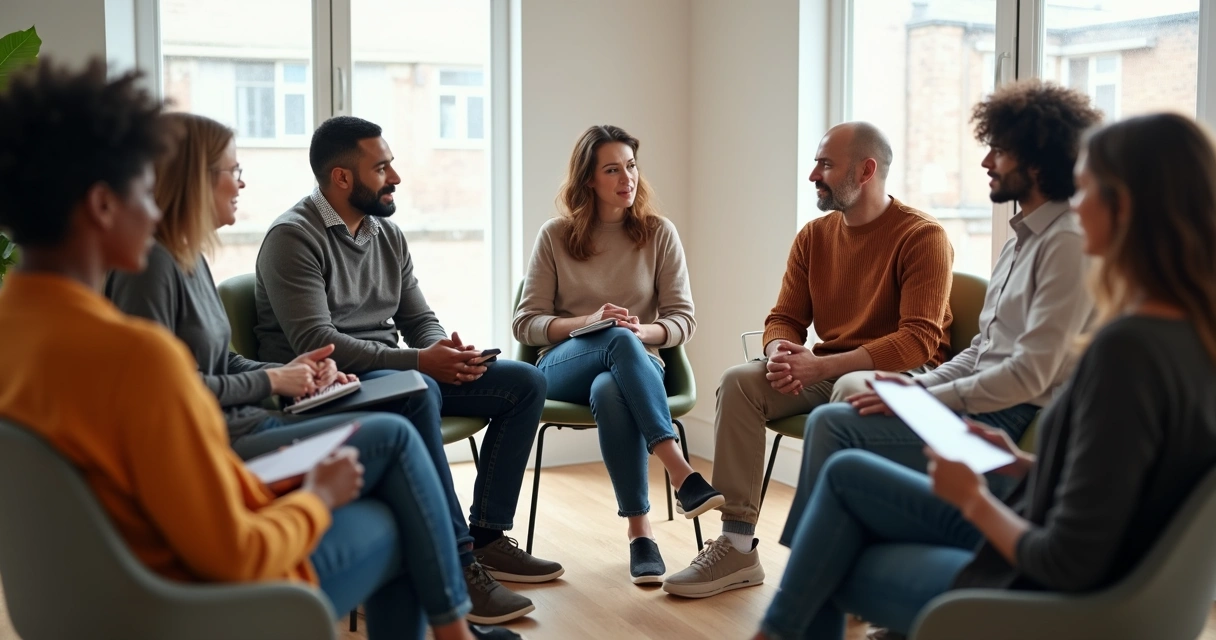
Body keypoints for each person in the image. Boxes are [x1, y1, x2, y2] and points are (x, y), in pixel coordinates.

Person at [0, 58, 505, 640]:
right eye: (146, 187)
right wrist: (315, 497)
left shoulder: (19, 328)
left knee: (395, 472)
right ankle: (456, 627)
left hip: (88, 596)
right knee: (397, 504)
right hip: (182, 597)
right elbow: (234, 552)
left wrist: (284, 378)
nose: (155, 204)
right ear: (102, 204)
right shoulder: (137, 355)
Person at [754, 112, 1216, 639]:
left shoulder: (1128, 351)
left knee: (834, 556)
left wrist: (972, 497)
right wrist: (1019, 464)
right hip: (1041, 514)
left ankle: (780, 624)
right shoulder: (1184, 334)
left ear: (1126, 206)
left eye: (1086, 187)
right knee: (843, 476)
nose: (1076, 203)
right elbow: (1116, 482)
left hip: (1046, 587)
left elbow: (1067, 558)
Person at [102, 112, 522, 635]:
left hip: (253, 420)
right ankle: (456, 606)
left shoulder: (187, 259)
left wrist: (293, 372)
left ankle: (475, 563)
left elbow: (222, 361)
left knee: (504, 391)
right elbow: (166, 393)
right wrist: (276, 381)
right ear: (194, 178)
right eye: (233, 170)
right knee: (400, 427)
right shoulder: (152, 266)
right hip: (224, 445)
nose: (243, 181)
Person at [254, 116, 559, 623]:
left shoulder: (386, 235)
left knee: (525, 383)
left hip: (395, 371)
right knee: (420, 390)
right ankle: (456, 562)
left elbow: (417, 318)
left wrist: (444, 351)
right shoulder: (293, 237)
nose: (395, 176)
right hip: (330, 384)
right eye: (382, 167)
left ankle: (485, 536)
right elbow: (317, 343)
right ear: (342, 179)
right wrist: (421, 362)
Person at [780, 80, 1104, 555]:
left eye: (998, 150)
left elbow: (1028, 374)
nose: (986, 162)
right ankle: (833, 570)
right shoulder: (1021, 238)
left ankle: (816, 570)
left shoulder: (1066, 242)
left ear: (1038, 161)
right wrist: (916, 391)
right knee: (839, 416)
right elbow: (983, 348)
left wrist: (930, 400)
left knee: (833, 424)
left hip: (1006, 415)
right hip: (976, 399)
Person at [664, 122, 954, 598]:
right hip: (830, 367)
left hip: (901, 376)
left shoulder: (923, 237)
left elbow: (918, 341)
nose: (812, 175)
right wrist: (780, 351)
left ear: (865, 170)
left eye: (825, 164)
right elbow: (784, 317)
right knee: (740, 381)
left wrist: (823, 367)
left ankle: (842, 555)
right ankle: (737, 547)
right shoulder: (814, 237)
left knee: (847, 390)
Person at [513, 125, 722, 584]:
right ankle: (680, 470)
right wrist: (588, 323)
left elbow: (683, 319)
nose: (626, 178)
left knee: (612, 387)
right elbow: (526, 323)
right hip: (564, 362)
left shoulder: (658, 234)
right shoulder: (556, 236)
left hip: (635, 363)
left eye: (631, 166)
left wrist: (639, 329)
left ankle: (639, 532)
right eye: (612, 169)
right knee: (616, 340)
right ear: (589, 179)